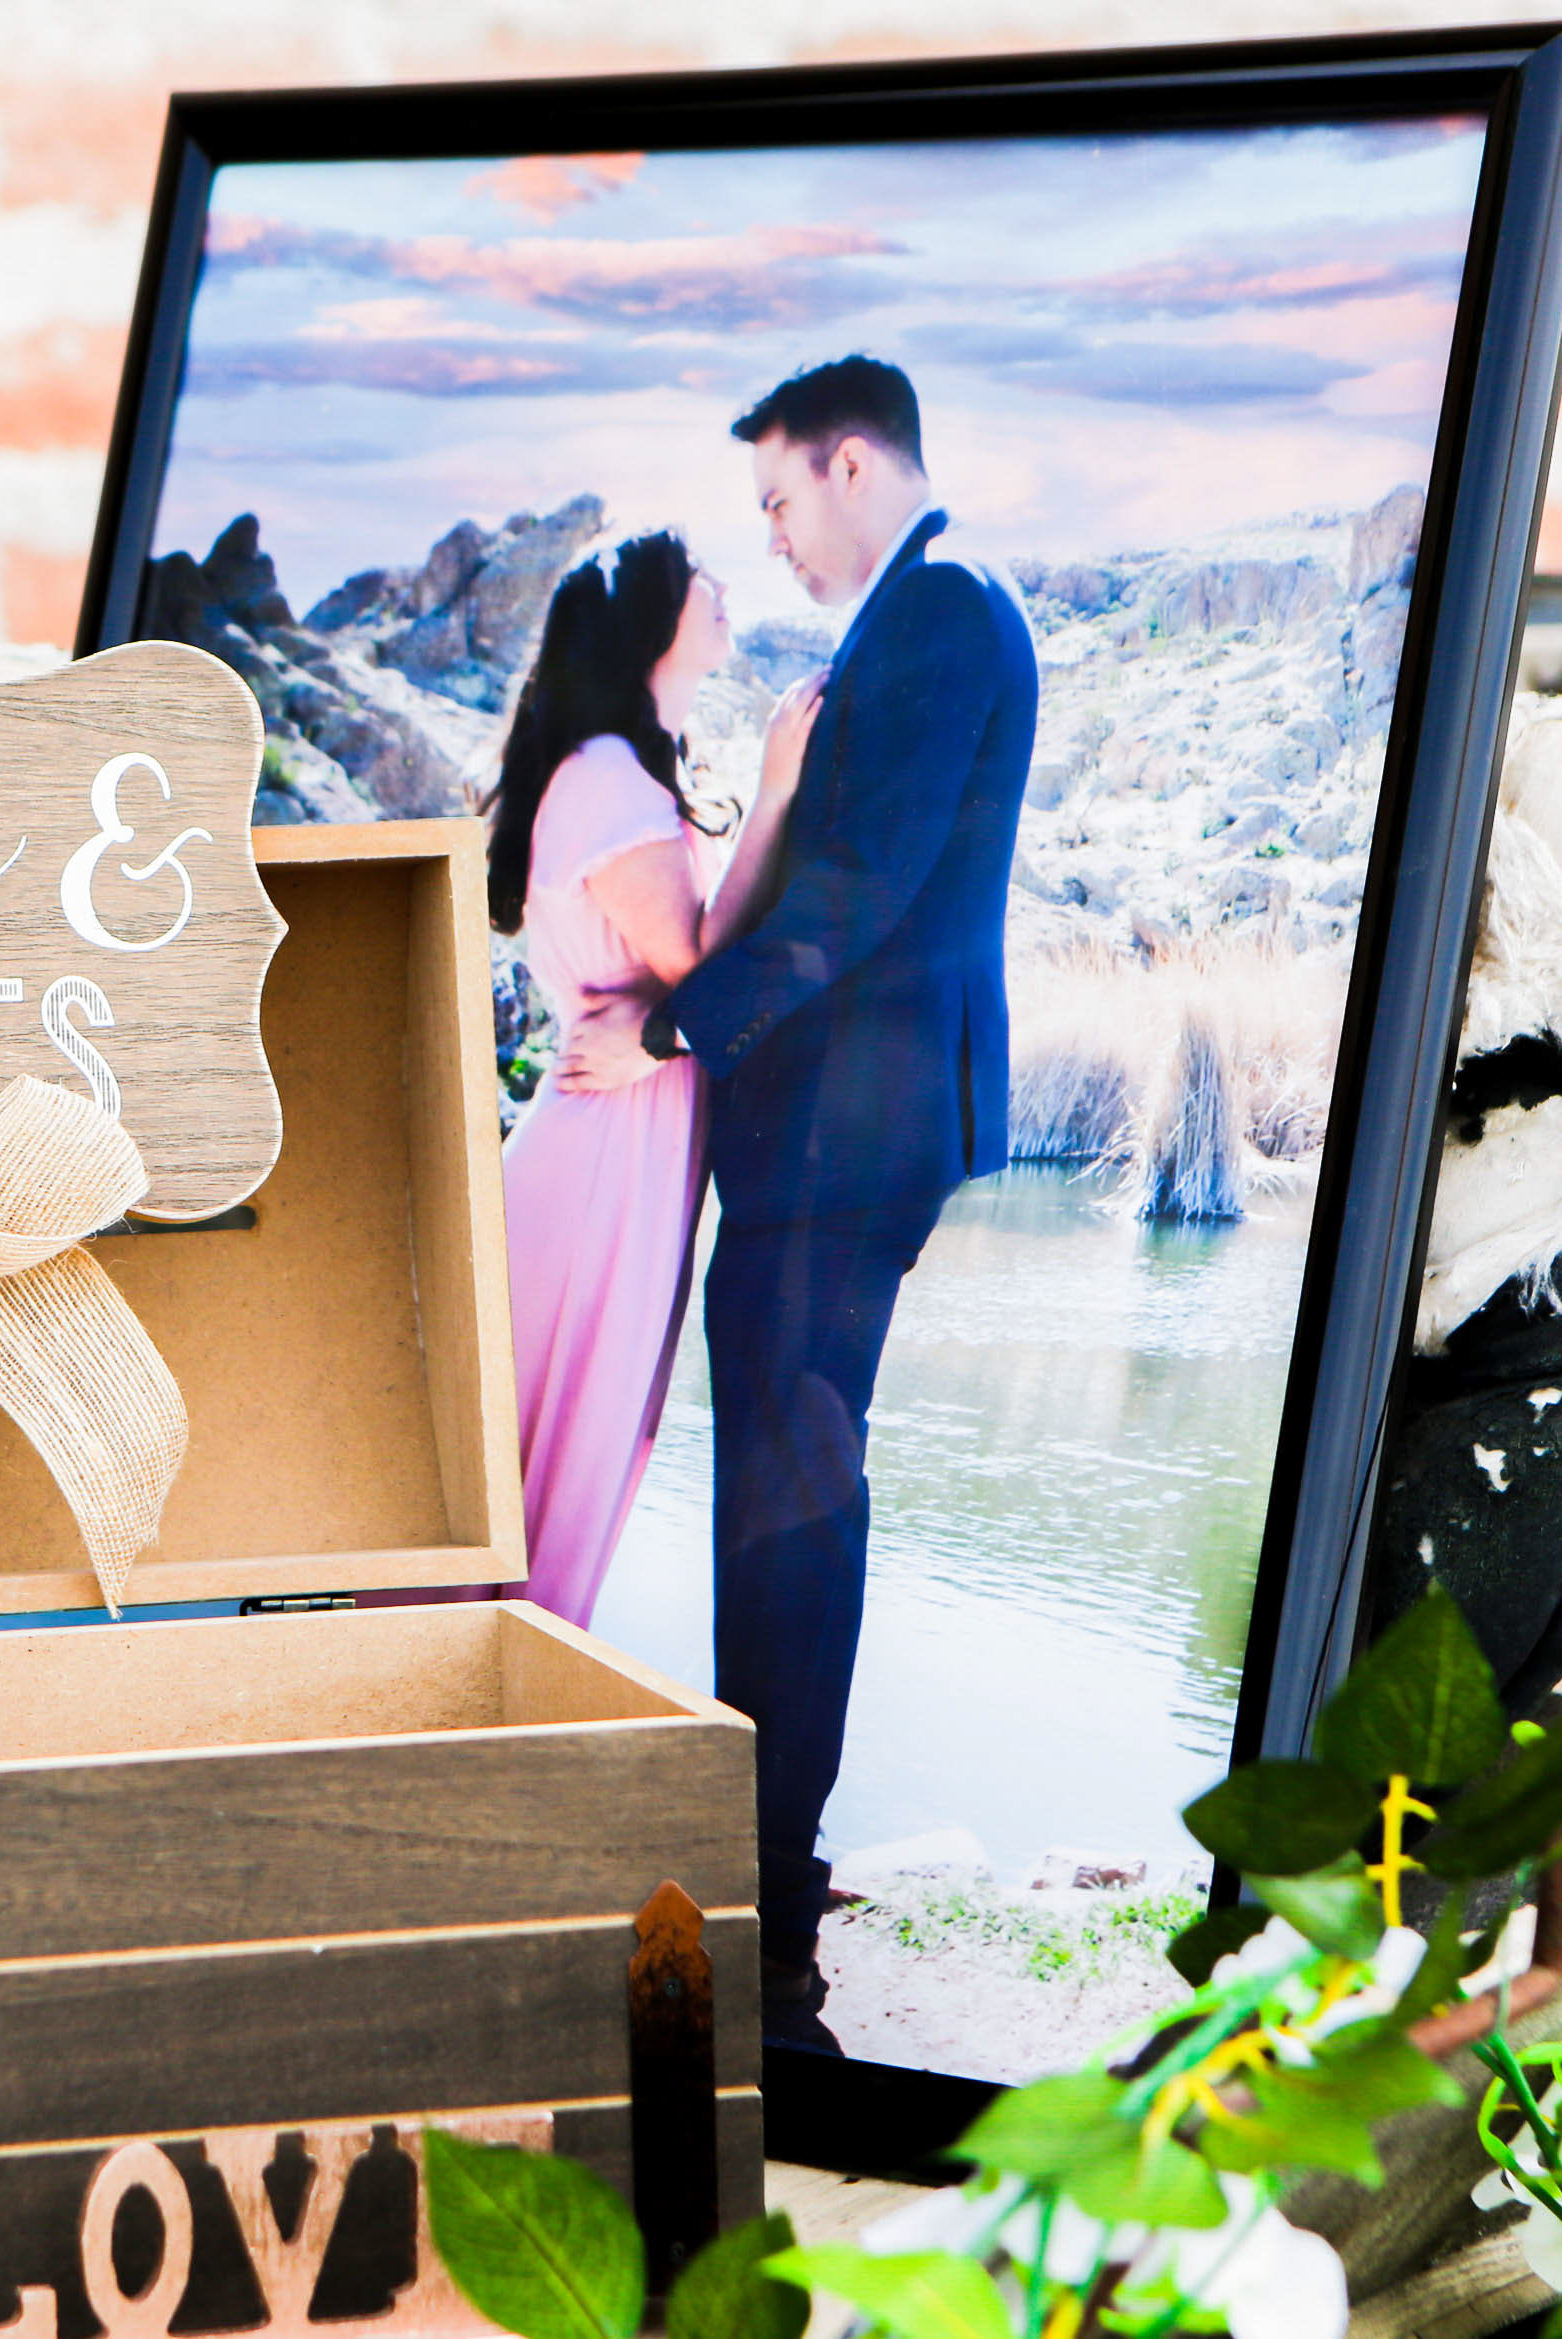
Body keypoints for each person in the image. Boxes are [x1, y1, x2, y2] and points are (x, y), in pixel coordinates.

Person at [561, 358, 1040, 2051]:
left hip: (852, 1129)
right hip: (834, 1127)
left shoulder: (942, 614)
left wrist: (666, 1032)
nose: (768, 535)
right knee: (784, 1476)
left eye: (774, 498)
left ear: (849, 465)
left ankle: (767, 1890)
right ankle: (763, 1857)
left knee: (790, 1489)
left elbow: (851, 894)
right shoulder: (918, 615)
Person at [487, 531, 814, 1627]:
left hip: (622, 1144)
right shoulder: (606, 779)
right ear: (650, 623)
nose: (721, 587)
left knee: (568, 1447)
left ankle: (500, 1686)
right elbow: (702, 960)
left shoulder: (619, 772)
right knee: (559, 1449)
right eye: (697, 575)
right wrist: (776, 793)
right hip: (602, 1157)